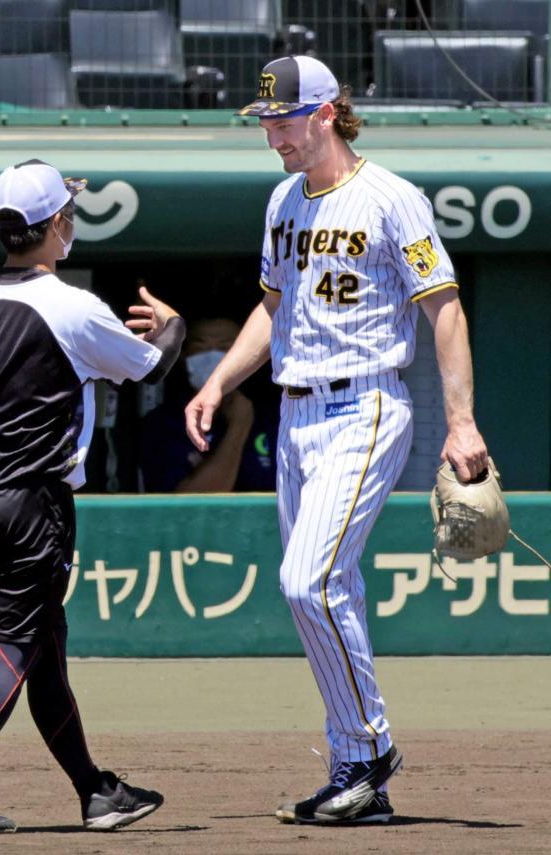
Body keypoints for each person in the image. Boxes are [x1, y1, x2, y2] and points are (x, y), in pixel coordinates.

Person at [186, 56, 488, 825]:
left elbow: (444, 309)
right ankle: (359, 776)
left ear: (327, 113)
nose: (272, 135)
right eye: (265, 121)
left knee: (306, 580)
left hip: (366, 404)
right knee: (332, 589)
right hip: (296, 413)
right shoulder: (284, 200)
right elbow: (273, 308)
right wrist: (219, 381)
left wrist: (461, 421)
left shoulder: (392, 199)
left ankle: (369, 742)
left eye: (283, 120)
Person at [0, 159, 184, 833]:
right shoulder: (73, 307)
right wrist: (172, 323)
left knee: (43, 646)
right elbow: (150, 366)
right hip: (34, 505)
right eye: (68, 214)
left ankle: (96, 789)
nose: (72, 224)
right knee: (17, 645)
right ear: (55, 226)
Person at [139, 316, 276, 492]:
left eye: (225, 347)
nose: (211, 355)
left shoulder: (274, 417)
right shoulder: (163, 424)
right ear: (184, 355)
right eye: (200, 347)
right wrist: (239, 426)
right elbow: (190, 505)